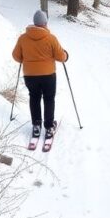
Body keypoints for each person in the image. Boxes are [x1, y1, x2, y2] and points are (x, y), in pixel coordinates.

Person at [12, 10, 69, 140]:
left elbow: (16, 56)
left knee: (34, 97)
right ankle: (49, 127)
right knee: (49, 99)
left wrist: (25, 59)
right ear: (45, 23)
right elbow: (61, 57)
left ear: (34, 22)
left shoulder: (23, 38)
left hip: (30, 75)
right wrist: (66, 55)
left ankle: (36, 126)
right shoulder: (51, 38)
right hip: (48, 75)